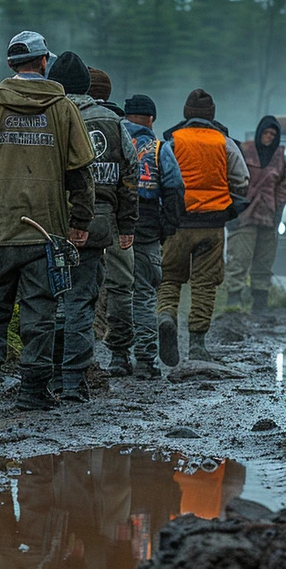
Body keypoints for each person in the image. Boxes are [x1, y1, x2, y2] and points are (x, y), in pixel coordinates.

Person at [0, 32, 96, 411]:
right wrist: (80, 220)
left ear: (10, 65)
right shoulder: (63, 107)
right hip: (44, 230)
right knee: (40, 309)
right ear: (43, 62)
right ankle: (32, 391)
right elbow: (81, 173)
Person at [48, 55, 137, 401]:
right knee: (81, 304)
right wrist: (126, 223)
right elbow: (130, 174)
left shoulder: (47, 115)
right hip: (98, 225)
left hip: (50, 224)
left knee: (51, 303)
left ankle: (49, 377)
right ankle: (73, 382)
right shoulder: (113, 122)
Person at [157, 89, 249, 366]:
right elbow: (242, 179)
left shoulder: (172, 142)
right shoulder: (225, 142)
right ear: (212, 114)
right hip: (212, 224)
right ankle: (197, 345)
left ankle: (165, 317)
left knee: (170, 278)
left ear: (186, 113)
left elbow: (162, 177)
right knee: (205, 284)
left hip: (178, 223)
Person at [120, 94, 182, 378]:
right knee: (144, 295)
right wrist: (167, 229)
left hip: (110, 227)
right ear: (151, 119)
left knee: (116, 293)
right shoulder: (159, 148)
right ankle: (145, 361)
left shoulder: (110, 138)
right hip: (145, 231)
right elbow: (174, 191)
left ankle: (117, 359)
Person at [87, 68, 138, 375]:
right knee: (120, 287)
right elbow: (131, 175)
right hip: (115, 218)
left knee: (75, 285)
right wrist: (128, 223)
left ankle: (75, 356)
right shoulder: (119, 125)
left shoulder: (67, 116)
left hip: (71, 215)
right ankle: (119, 354)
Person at [224, 115, 286, 313]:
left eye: (273, 134)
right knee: (238, 260)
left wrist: (277, 214)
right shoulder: (244, 150)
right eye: (266, 132)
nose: (269, 137)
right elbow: (230, 179)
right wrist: (231, 212)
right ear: (260, 132)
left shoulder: (278, 157)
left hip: (268, 217)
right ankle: (233, 303)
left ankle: (260, 305)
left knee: (264, 263)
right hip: (244, 216)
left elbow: (283, 188)